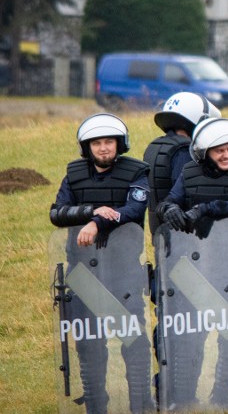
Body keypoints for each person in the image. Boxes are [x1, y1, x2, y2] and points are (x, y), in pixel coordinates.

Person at [50, 113, 153, 413]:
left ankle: (141, 405)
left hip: (124, 272)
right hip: (82, 272)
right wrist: (95, 212)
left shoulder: (137, 172)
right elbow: (57, 213)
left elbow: (134, 209)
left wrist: (97, 223)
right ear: (87, 147)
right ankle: (96, 406)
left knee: (133, 340)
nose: (104, 148)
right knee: (89, 344)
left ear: (119, 144)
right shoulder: (74, 173)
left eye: (109, 141)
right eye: (97, 143)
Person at [156, 117, 228, 407]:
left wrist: (205, 209)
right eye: (219, 151)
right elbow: (166, 202)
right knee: (192, 333)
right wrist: (172, 211)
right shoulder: (189, 172)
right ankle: (185, 397)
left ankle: (224, 398)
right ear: (205, 154)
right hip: (196, 266)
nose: (227, 154)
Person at [143, 92, 220, 239]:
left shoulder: (154, 146)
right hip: (185, 237)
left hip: (160, 235)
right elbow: (188, 190)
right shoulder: (183, 150)